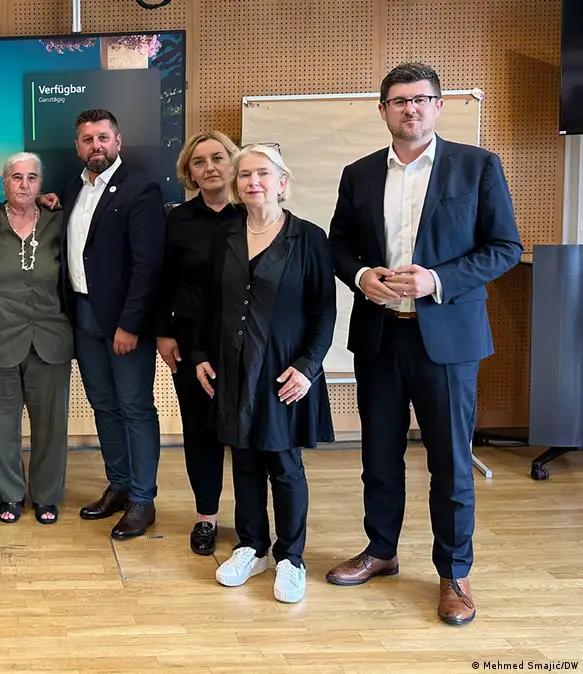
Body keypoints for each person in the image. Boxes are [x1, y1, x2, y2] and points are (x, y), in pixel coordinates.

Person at [325, 62, 523, 625]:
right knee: (378, 455)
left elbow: (504, 247)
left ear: (438, 106)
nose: (410, 109)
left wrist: (436, 279)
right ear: (382, 110)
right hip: (380, 334)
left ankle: (454, 572)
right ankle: (381, 550)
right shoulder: (359, 173)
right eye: (399, 100)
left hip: (449, 339)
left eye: (420, 99)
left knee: (451, 463)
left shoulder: (478, 166)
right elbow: (338, 244)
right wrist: (361, 275)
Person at [192, 144, 335, 603]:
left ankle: (291, 557)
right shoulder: (225, 236)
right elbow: (209, 303)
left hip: (284, 371)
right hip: (233, 368)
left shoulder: (308, 238)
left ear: (282, 183)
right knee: (245, 460)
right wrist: (200, 353)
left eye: (263, 174)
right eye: (244, 175)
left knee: (284, 465)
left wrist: (308, 368)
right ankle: (252, 547)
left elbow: (325, 312)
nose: (252, 181)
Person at [61, 109, 165, 539]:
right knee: (103, 406)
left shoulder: (141, 189)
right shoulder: (72, 188)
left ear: (118, 142)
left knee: (135, 407)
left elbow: (148, 265)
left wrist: (131, 325)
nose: (96, 146)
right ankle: (119, 485)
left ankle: (142, 499)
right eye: (87, 139)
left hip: (124, 324)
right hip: (83, 316)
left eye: (103, 137)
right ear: (78, 147)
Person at [156, 131, 241, 556]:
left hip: (245, 340)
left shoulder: (254, 214)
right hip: (190, 340)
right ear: (188, 172)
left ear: (233, 162)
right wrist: (163, 332)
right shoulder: (177, 220)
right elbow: (163, 280)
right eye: (198, 162)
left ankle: (251, 520)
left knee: (245, 432)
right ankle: (206, 516)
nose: (209, 168)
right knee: (200, 429)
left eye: (218, 158)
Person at [0, 152, 72, 525]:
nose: (25, 184)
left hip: (50, 338)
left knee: (51, 427)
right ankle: (10, 494)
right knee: (0, 426)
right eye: (17, 177)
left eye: (32, 177)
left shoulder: (58, 221)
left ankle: (47, 495)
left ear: (41, 184)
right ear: (4, 183)